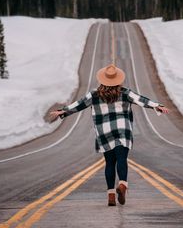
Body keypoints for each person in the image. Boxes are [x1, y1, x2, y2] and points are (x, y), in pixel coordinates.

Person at [49, 64, 169, 206]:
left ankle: (111, 196)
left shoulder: (94, 94)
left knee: (110, 163)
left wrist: (63, 111)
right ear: (118, 79)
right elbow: (141, 99)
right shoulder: (125, 92)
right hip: (122, 130)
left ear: (102, 80)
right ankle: (123, 185)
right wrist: (157, 106)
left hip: (104, 132)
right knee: (122, 159)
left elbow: (79, 104)